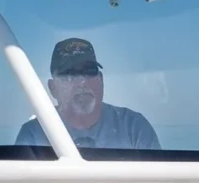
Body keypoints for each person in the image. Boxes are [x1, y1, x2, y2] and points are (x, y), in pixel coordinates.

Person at [15, 38, 161, 152]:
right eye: (69, 74)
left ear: (101, 80)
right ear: (53, 88)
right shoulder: (32, 135)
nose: (82, 81)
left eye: (89, 71)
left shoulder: (134, 128)